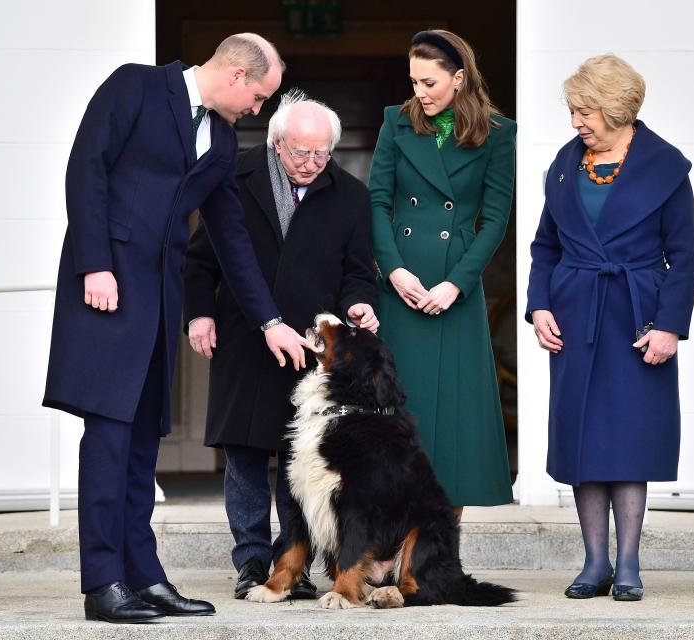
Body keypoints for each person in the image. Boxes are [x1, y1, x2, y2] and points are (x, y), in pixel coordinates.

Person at [42, 34, 314, 624]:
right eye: (261, 98)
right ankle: (104, 582)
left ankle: (144, 575)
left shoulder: (218, 137)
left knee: (143, 443)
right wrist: (96, 263)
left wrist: (270, 322)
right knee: (109, 438)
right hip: (107, 290)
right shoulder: (135, 86)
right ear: (238, 75)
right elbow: (86, 166)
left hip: (159, 304)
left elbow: (231, 239)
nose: (258, 111)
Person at [184, 88, 378, 601]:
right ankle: (251, 563)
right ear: (275, 142)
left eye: (322, 153)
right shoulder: (234, 180)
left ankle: (295, 565)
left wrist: (359, 304)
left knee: (303, 461)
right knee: (245, 457)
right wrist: (199, 313)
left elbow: (359, 273)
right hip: (246, 338)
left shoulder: (351, 196)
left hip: (311, 352)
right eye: (301, 152)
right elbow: (200, 260)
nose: (312, 163)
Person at [525, 54, 694, 602]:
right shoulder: (564, 163)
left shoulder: (665, 167)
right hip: (575, 315)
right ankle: (593, 562)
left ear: (618, 108)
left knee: (628, 437)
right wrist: (539, 306)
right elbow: (545, 246)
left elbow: (684, 255)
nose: (577, 121)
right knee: (583, 438)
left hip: (635, 316)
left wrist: (669, 326)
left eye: (587, 110)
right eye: (575, 110)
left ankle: (628, 565)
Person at [368, 30, 516, 518]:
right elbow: (378, 201)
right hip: (403, 289)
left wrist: (457, 282)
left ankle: (440, 551)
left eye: (429, 82)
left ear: (458, 77)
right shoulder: (396, 122)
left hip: (456, 289)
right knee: (396, 413)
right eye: (414, 82)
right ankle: (386, 549)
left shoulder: (497, 132)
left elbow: (495, 218)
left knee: (454, 421)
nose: (420, 93)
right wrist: (394, 270)